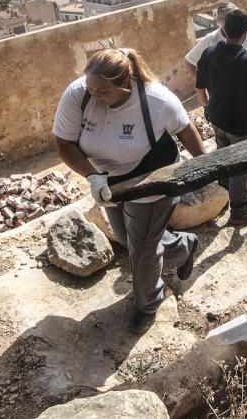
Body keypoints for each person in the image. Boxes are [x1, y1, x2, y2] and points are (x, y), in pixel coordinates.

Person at [52, 48, 207, 334]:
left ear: (125, 84)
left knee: (143, 252)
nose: (95, 96)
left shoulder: (156, 100)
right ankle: (184, 246)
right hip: (110, 184)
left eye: (103, 91)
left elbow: (186, 130)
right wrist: (92, 176)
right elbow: (64, 143)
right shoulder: (79, 95)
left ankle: (148, 303)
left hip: (151, 180)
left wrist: (207, 168)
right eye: (91, 88)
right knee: (130, 240)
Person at [185, 1, 247, 193]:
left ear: (225, 29)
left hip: (218, 117)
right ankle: (240, 207)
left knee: (225, 152)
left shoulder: (209, 54)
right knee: (242, 164)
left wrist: (208, 107)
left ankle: (227, 188)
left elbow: (199, 87)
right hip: (242, 122)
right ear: (244, 32)